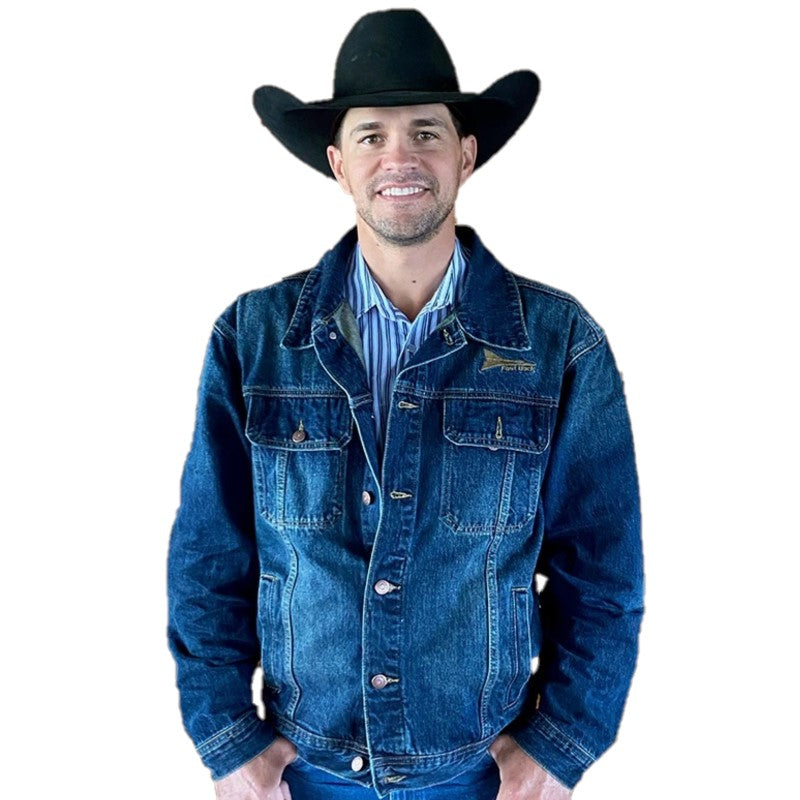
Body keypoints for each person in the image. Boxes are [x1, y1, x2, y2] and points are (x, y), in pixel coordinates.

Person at [167, 9, 643, 800]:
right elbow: (209, 559)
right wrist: (227, 739)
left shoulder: (559, 343)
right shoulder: (253, 337)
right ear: (338, 164)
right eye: (371, 136)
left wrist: (563, 743)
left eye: (426, 132)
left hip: (483, 773)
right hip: (302, 772)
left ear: (465, 154)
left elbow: (602, 572)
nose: (400, 157)